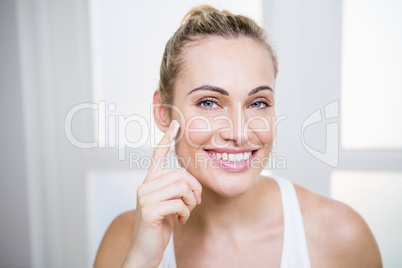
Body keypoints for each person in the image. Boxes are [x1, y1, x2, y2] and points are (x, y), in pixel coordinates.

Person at [94, 5, 382, 268]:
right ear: (163, 113)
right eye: (209, 102)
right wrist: (142, 260)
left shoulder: (341, 236)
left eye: (258, 103)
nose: (239, 132)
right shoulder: (125, 240)